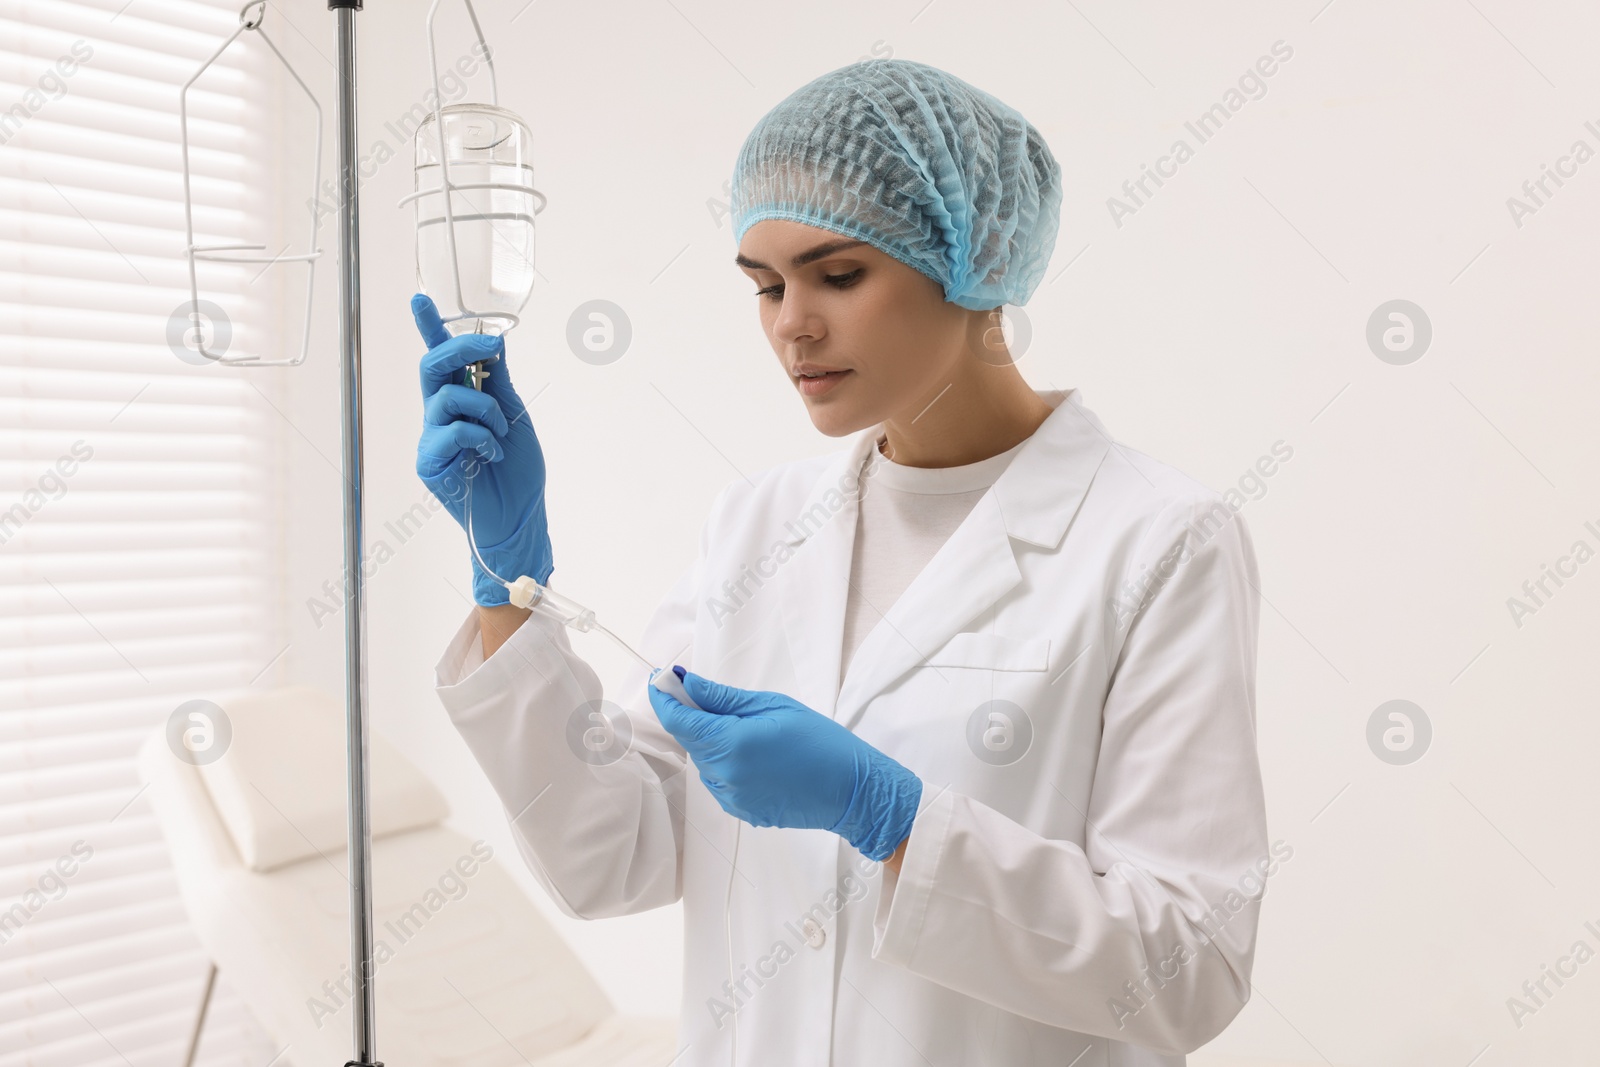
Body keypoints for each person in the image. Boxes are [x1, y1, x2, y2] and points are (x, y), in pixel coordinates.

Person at [420, 58, 1268, 1067]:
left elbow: (1189, 963)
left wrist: (895, 817)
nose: (792, 324)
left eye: (838, 274)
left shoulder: (1158, 539)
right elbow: (615, 855)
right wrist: (502, 587)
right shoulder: (758, 523)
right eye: (766, 285)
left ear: (974, 256)